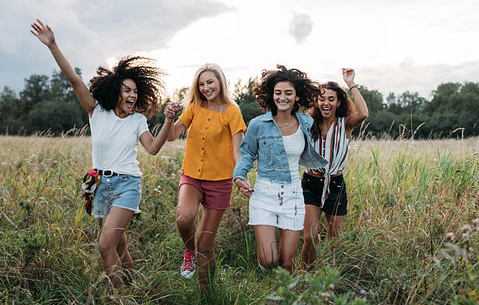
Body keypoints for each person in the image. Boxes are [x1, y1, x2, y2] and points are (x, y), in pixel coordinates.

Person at [31, 19, 179, 288]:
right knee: (119, 247)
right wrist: (53, 45)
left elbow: (154, 149)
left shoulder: (137, 121)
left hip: (127, 186)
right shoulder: (96, 112)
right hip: (99, 184)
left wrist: (168, 120)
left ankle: (118, 296)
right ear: (115, 91)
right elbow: (74, 79)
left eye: (135, 91)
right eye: (127, 89)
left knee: (104, 246)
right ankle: (133, 288)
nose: (132, 94)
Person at [233, 65, 327, 273]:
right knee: (269, 260)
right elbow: (247, 154)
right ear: (271, 95)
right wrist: (239, 177)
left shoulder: (306, 122)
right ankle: (266, 270)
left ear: (296, 96)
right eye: (278, 93)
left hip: (293, 195)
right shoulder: (258, 124)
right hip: (264, 195)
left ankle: (285, 296)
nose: (282, 97)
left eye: (288, 93)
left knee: (287, 263)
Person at [164, 63, 246, 288]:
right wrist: (169, 118)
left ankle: (206, 293)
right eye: (201, 84)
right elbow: (171, 135)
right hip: (191, 177)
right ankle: (188, 251)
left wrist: (241, 177)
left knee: (206, 245)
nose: (205, 88)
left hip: (220, 183)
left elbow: (238, 151)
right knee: (184, 218)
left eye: (210, 82)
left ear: (220, 81)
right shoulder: (194, 108)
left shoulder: (232, 110)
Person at [300, 68, 368, 268]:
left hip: (336, 185)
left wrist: (351, 83)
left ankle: (328, 280)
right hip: (311, 183)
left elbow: (363, 113)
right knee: (310, 237)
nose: (326, 103)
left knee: (334, 241)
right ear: (316, 102)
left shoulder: (345, 123)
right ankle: (306, 275)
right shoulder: (308, 122)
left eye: (331, 99)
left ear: (339, 102)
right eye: (321, 99)